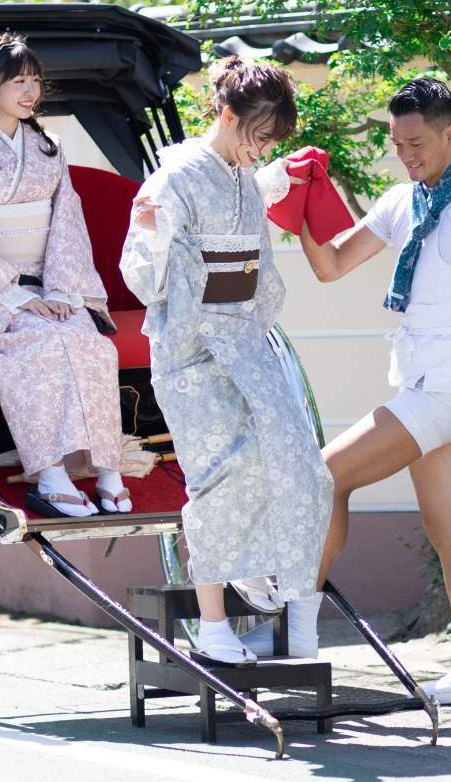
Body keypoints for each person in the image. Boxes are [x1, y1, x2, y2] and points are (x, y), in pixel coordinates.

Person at [246, 78, 451, 704]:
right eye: (398, 143)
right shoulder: (404, 200)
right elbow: (332, 265)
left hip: (445, 390)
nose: (407, 154)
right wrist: (304, 207)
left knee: (323, 477)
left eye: (417, 142)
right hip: (431, 386)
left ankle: (296, 632)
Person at [119, 57, 333, 666]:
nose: (262, 149)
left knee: (303, 463)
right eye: (259, 136)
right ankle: (214, 625)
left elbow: (247, 246)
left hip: (245, 340)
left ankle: (297, 611)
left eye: (271, 142)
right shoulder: (174, 180)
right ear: (228, 115)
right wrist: (159, 238)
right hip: (192, 351)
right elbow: (139, 273)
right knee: (224, 471)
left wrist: (274, 179)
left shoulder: (241, 174)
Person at [0, 32, 131, 518]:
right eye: (18, 81)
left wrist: (63, 290)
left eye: (35, 81)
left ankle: (109, 470)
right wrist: (12, 294)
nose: (30, 92)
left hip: (52, 281)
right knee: (42, 343)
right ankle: (50, 474)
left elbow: (67, 220)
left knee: (89, 342)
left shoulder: (48, 146)